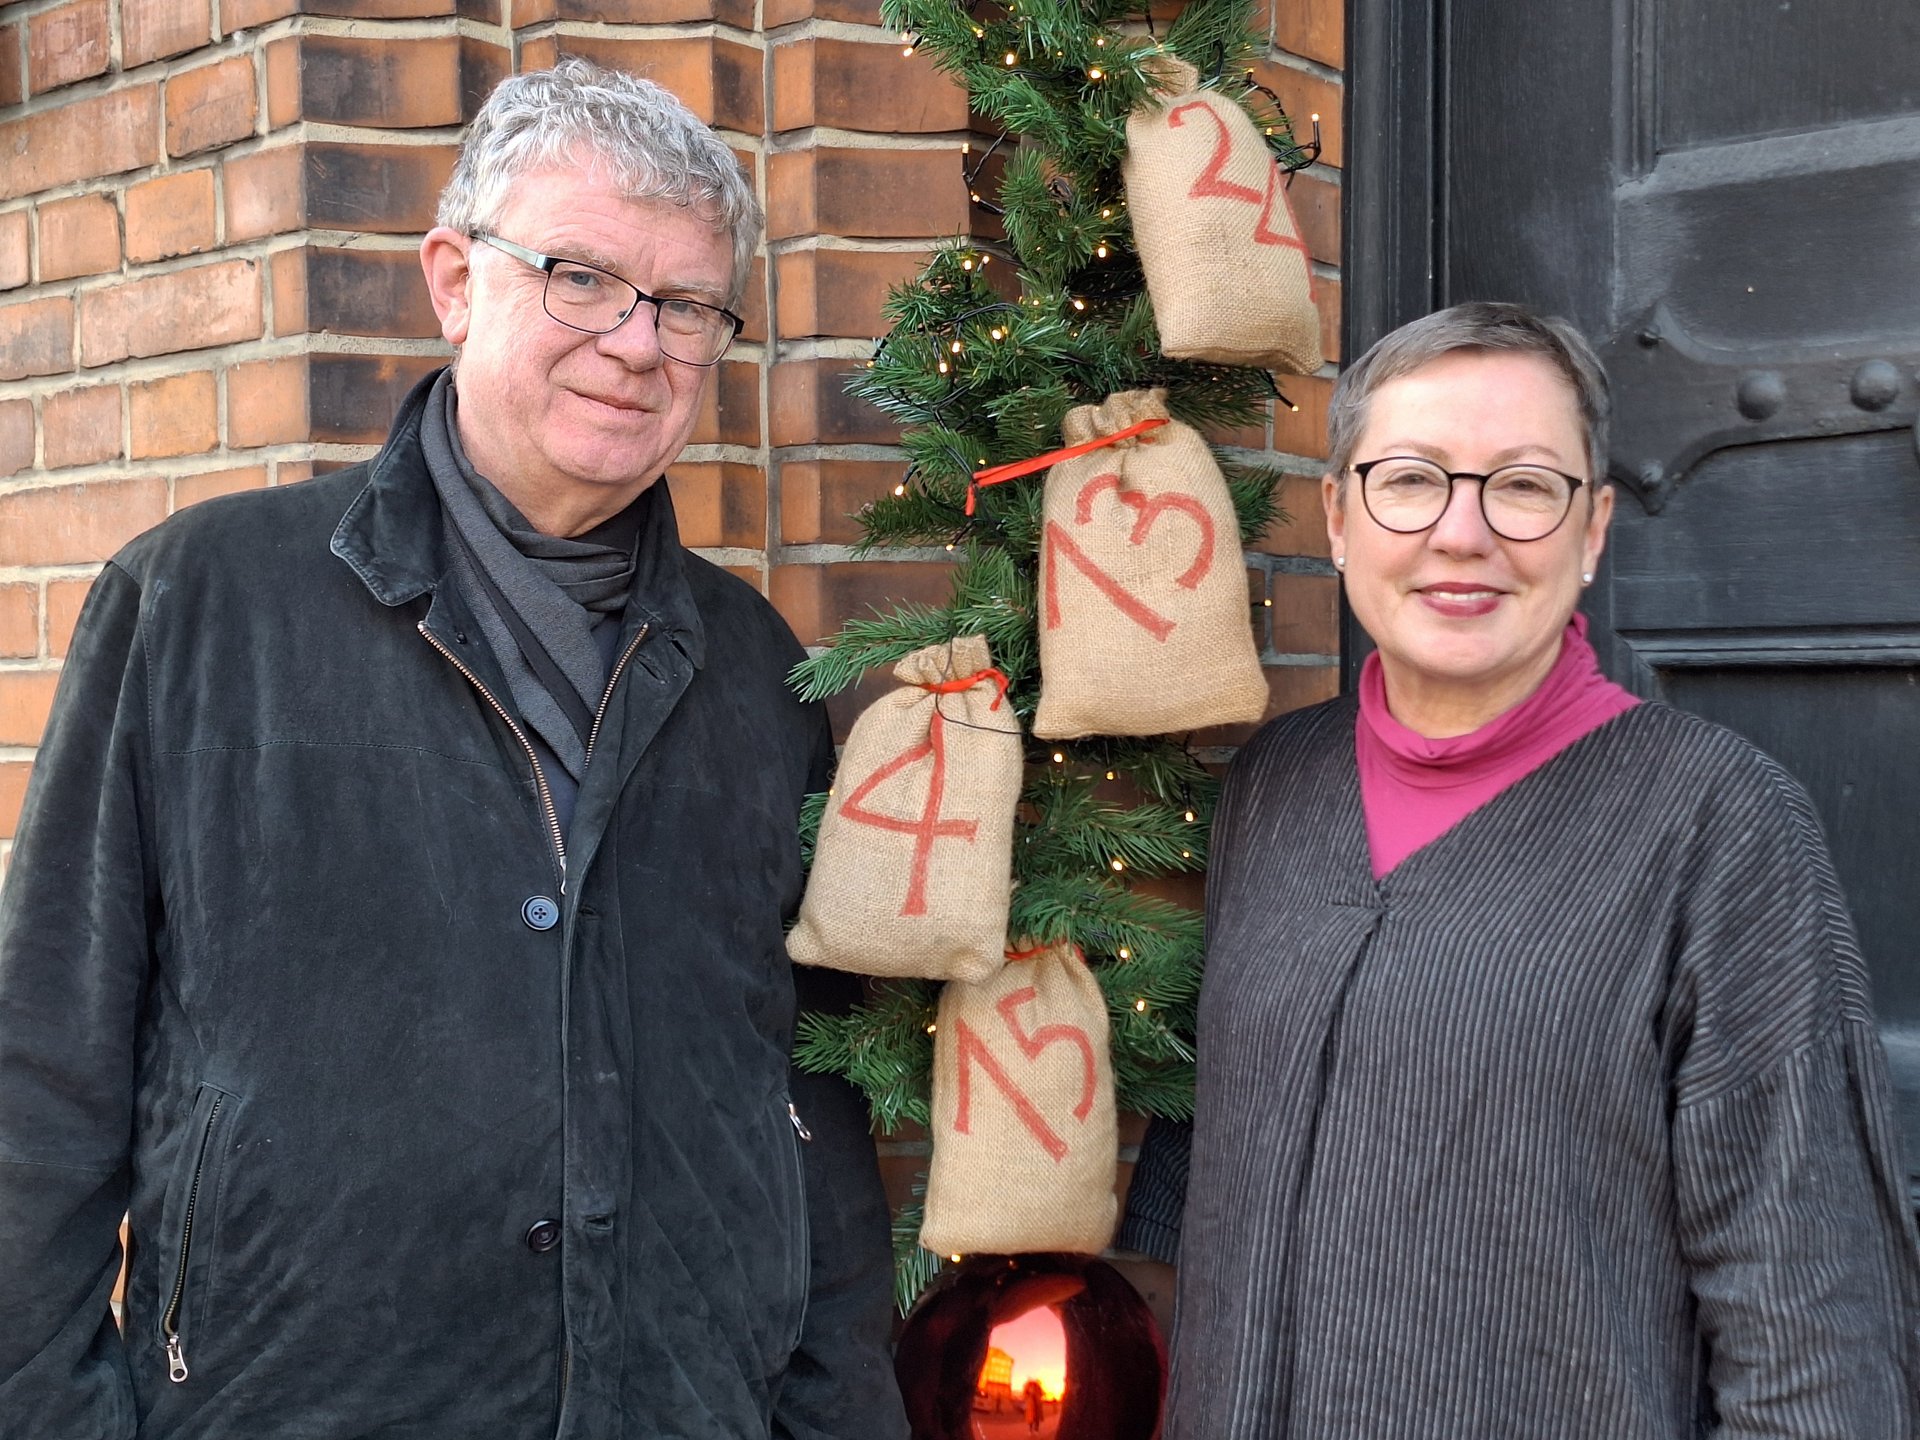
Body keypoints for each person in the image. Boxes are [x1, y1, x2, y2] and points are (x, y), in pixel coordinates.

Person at [0, 60, 908, 1439]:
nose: (636, 342)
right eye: (582, 277)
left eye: (686, 306)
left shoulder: (754, 672)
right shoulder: (196, 608)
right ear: (453, 279)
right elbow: (43, 1082)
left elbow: (807, 1100)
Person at [1139, 302, 1920, 1436]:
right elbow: (1205, 1151)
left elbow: (1810, 1324)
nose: (1463, 534)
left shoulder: (1719, 826)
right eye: (1410, 480)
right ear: (1340, 518)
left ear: (1593, 528)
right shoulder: (1274, 786)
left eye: (1523, 484)